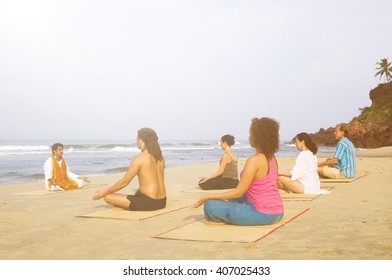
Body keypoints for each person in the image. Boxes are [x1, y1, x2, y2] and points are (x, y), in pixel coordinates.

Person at [193, 117, 284, 226]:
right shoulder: (272, 158)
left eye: (251, 134)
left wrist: (207, 196)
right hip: (278, 211)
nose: (249, 137)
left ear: (259, 137)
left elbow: (238, 191)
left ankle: (225, 218)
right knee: (236, 198)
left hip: (262, 214)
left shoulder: (254, 160)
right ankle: (230, 215)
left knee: (210, 205)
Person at [92, 128, 166, 211]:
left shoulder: (139, 159)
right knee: (137, 192)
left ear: (141, 139)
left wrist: (106, 191)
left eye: (137, 139)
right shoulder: (160, 158)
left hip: (148, 203)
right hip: (162, 202)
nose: (136, 142)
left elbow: (125, 182)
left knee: (108, 197)